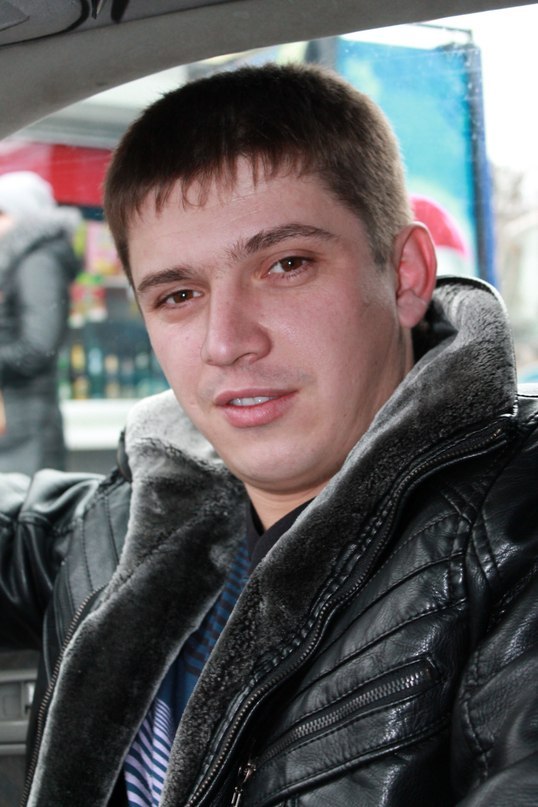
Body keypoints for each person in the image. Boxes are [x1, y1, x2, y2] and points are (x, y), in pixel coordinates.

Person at [0, 63, 537, 807]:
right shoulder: (130, 523)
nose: (227, 341)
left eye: (287, 265)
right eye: (179, 294)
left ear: (406, 275)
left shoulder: (512, 537)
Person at [0, 171, 79, 474]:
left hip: (25, 427)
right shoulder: (19, 260)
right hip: (18, 421)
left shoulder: (37, 261)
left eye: (1, 213)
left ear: (24, 214)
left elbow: (38, 346)